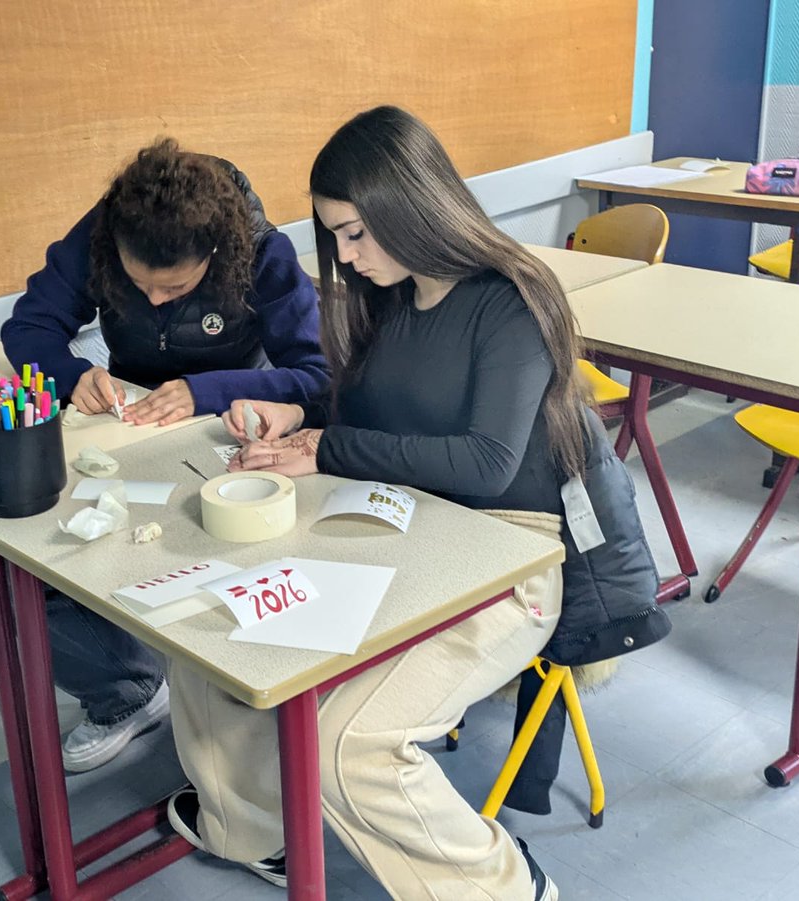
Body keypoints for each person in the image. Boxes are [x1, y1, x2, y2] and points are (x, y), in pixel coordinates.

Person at [162, 106, 666, 899]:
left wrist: (328, 447)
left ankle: (505, 888)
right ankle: (253, 827)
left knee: (346, 748)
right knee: (205, 623)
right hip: (405, 525)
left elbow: (486, 463)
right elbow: (380, 417)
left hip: (513, 552)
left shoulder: (509, 301)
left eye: (358, 233)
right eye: (336, 238)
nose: (347, 256)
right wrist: (304, 417)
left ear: (413, 206)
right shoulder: (389, 296)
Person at [0, 139, 329, 772]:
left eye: (174, 287)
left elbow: (312, 378)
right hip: (132, 430)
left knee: (221, 561)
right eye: (138, 284)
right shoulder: (101, 234)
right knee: (48, 552)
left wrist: (208, 391)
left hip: (234, 434)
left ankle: (245, 714)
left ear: (214, 254)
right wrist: (72, 374)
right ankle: (126, 690)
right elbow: (29, 326)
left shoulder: (264, 255)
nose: (153, 300)